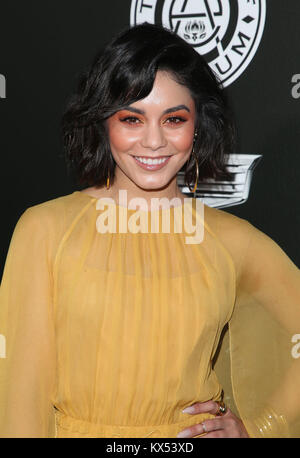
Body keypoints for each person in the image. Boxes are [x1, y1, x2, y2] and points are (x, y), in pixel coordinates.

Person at [0, 22, 299, 438]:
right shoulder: (46, 229)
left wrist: (262, 428)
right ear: (104, 123)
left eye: (174, 119)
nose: (154, 141)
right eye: (132, 118)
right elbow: (19, 393)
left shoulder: (233, 240)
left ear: (198, 126)